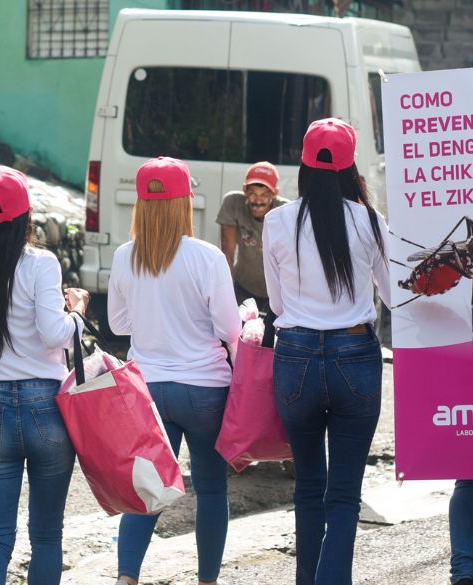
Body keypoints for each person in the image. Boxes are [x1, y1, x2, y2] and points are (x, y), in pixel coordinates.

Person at [0, 165, 88, 585]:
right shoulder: (41, 264)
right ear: (25, 217)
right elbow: (55, 334)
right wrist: (77, 311)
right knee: (46, 535)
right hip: (47, 408)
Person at [261, 118, 389, 585]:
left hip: (294, 357)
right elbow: (395, 297)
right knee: (345, 493)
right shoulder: (370, 221)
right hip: (355, 354)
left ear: (304, 165)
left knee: (308, 486)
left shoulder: (277, 221)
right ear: (351, 168)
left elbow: (276, 305)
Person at [108, 156, 241, 585]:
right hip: (205, 389)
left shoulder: (125, 256)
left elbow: (118, 325)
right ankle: (206, 581)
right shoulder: (207, 257)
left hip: (148, 388)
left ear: (140, 205)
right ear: (186, 202)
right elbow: (228, 328)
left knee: (148, 488)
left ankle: (127, 577)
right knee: (212, 488)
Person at [216, 161, 290, 308]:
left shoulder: (285, 211)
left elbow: (290, 260)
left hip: (276, 292)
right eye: (253, 194)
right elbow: (228, 253)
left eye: (264, 195)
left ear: (275, 193)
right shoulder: (233, 203)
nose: (258, 200)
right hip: (242, 286)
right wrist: (226, 293)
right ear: (244, 190)